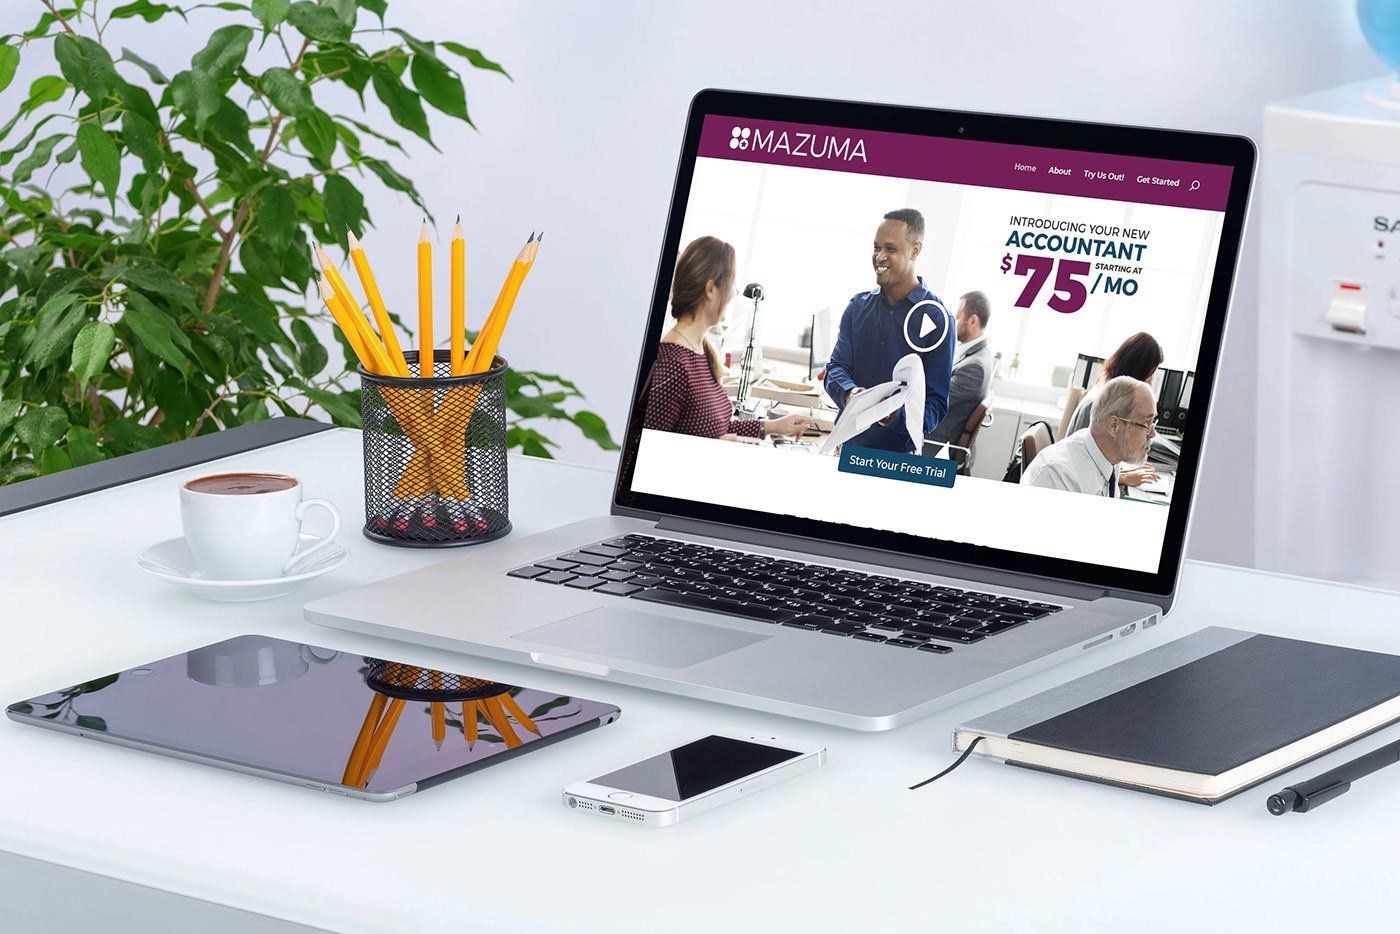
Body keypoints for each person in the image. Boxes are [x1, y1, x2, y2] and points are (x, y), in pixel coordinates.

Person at [643, 236, 816, 442]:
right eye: (731, 283)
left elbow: (715, 426)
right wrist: (718, 445)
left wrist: (773, 426)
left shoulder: (701, 350)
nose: (735, 292)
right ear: (710, 289)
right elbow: (647, 448)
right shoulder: (673, 364)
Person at [823, 209, 954, 453]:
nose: (879, 257)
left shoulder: (937, 319)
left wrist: (896, 416)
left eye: (891, 249)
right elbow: (835, 369)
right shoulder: (857, 307)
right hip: (846, 447)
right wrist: (850, 393)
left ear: (915, 250)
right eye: (876, 247)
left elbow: (936, 405)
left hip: (895, 458)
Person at [1021, 376, 1157, 496]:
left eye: (1153, 423)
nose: (1152, 434)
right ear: (1114, 425)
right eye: (1146, 424)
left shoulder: (1111, 458)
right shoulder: (1058, 476)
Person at [928, 290, 993, 448]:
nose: (952, 323)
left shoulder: (974, 368)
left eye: (957, 318)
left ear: (972, 321)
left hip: (933, 441)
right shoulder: (977, 352)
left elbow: (935, 399)